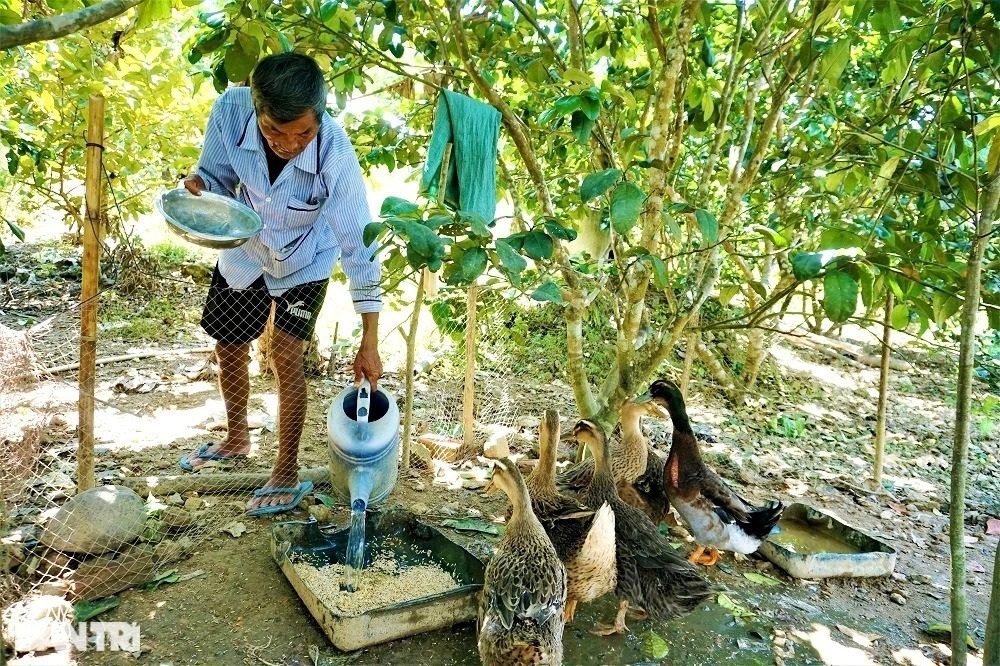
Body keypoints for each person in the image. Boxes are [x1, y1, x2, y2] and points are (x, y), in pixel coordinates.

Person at [177, 52, 382, 516]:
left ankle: (285, 469)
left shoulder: (335, 151)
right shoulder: (230, 111)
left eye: (303, 134)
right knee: (228, 344)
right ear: (256, 108)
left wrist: (369, 340)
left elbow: (359, 243)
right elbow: (215, 178)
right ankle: (237, 437)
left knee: (287, 356)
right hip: (245, 245)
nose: (289, 144)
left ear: (320, 117)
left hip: (308, 255)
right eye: (274, 131)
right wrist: (199, 186)